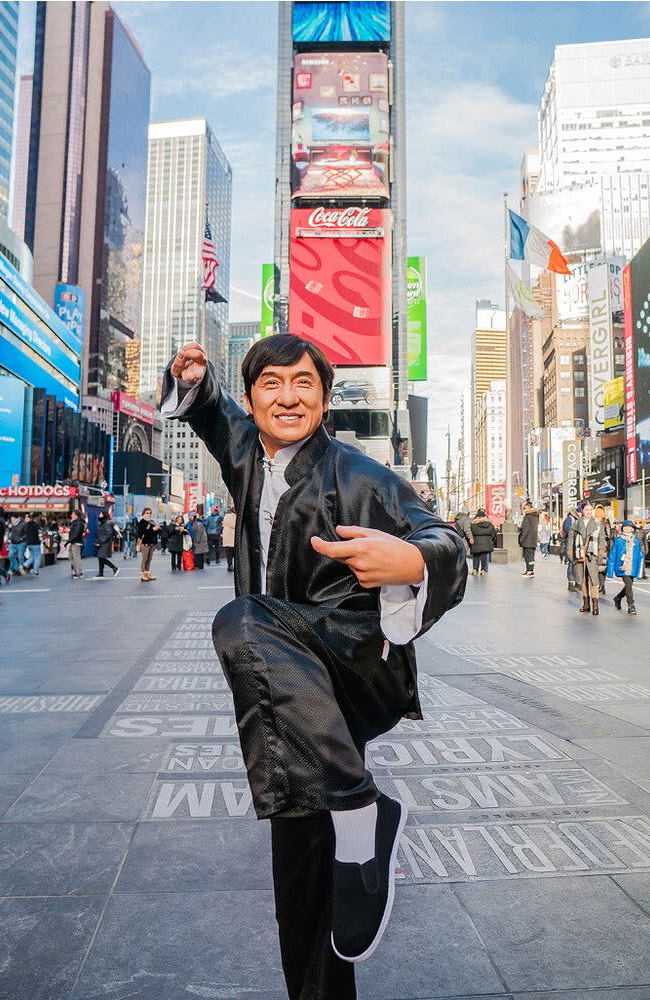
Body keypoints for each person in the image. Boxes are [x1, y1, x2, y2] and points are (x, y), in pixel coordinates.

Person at [163, 335, 466, 999]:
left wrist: (413, 561)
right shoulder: (247, 452)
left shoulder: (360, 476)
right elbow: (212, 413)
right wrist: (195, 377)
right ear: (253, 400)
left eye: (303, 383)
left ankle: (361, 807)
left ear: (325, 398)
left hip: (347, 669)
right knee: (301, 870)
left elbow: (445, 538)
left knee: (241, 618)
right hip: (286, 688)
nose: (287, 396)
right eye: (270, 383)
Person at [567, 499, 607, 615]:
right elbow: (571, 538)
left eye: (590, 510)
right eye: (586, 510)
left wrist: (600, 553)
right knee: (583, 580)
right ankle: (586, 604)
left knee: (593, 580)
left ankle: (595, 605)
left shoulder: (598, 523)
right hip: (579, 555)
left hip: (592, 555)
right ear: (582, 511)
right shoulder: (576, 523)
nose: (588, 512)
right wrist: (569, 552)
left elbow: (602, 540)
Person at [608, 520, 643, 615]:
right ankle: (631, 605)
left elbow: (639, 556)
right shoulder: (618, 540)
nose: (627, 528)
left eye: (629, 527)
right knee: (628, 584)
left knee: (629, 585)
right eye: (625, 526)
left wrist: (640, 571)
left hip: (632, 566)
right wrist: (610, 571)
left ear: (632, 529)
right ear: (622, 528)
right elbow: (613, 554)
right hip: (622, 566)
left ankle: (618, 598)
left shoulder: (636, 540)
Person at [470, 508, 496, 574]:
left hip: (476, 543)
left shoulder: (473, 525)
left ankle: (475, 569)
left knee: (476, 556)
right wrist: (490, 540)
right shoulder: (490, 525)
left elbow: (470, 534)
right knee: (484, 556)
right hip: (486, 543)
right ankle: (483, 570)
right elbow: (493, 534)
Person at [94, 512, 119, 578]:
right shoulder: (103, 523)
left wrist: (102, 540)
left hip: (105, 544)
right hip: (102, 543)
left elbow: (109, 533)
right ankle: (101, 573)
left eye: (101, 514)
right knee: (101, 558)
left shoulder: (106, 523)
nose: (99, 515)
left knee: (101, 557)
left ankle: (114, 568)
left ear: (104, 515)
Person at [518, 501, 540, 577]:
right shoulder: (535, 516)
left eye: (525, 508)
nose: (524, 509)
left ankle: (529, 572)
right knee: (531, 557)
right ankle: (530, 570)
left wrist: (521, 539)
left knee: (527, 556)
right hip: (533, 540)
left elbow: (525, 529)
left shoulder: (527, 517)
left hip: (527, 540)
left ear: (528, 508)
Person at [594, 504, 612, 593]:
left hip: (600, 547)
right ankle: (602, 586)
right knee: (602, 567)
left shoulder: (600, 523)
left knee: (600, 567)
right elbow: (609, 535)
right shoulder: (606, 522)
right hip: (604, 547)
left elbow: (608, 535)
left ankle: (601, 586)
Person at [137, 507, 159, 582]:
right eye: (147, 513)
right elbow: (141, 534)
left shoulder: (151, 522)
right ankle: (142, 574)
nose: (149, 514)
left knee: (149, 559)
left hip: (151, 543)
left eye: (150, 513)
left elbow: (155, 533)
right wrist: (151, 529)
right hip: (145, 543)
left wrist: (157, 529)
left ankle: (147, 573)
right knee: (145, 559)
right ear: (143, 514)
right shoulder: (141, 522)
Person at [6, 514, 26, 581]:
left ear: (17, 518)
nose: (12, 521)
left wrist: (21, 539)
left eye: (13, 519)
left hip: (21, 543)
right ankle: (18, 568)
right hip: (13, 543)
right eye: (11, 519)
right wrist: (9, 528)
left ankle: (14, 569)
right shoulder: (11, 524)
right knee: (11, 556)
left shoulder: (23, 524)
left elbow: (26, 534)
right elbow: (10, 533)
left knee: (20, 557)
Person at [67, 510, 86, 579]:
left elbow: (76, 533)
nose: (71, 516)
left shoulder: (78, 523)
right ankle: (76, 570)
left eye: (72, 514)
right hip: (73, 542)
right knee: (71, 556)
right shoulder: (76, 522)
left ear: (76, 515)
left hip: (76, 542)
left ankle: (79, 572)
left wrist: (68, 541)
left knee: (76, 557)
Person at [222, 504, 236, 572]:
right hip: (231, 537)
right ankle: (230, 565)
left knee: (229, 552)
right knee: (232, 552)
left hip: (228, 537)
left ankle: (230, 565)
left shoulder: (226, 516)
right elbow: (234, 524)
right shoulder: (230, 516)